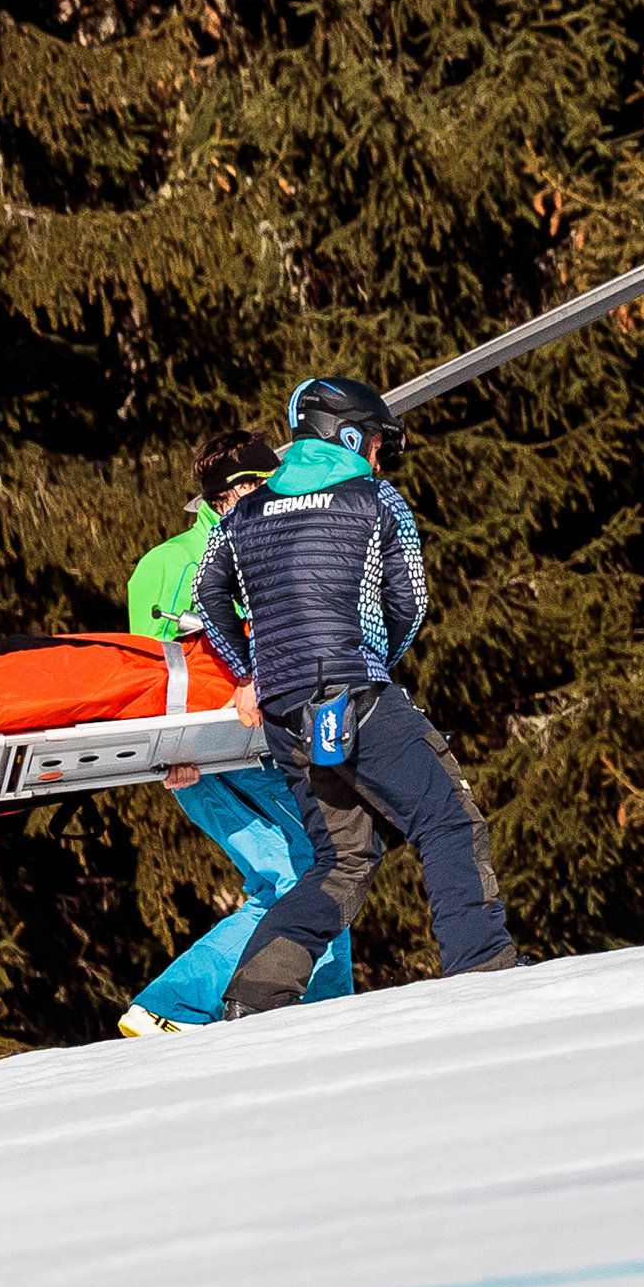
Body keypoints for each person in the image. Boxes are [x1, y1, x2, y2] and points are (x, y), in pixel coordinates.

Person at [193, 379, 517, 1014]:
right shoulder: (376, 497)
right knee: (447, 818)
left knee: (341, 859)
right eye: (375, 442)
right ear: (348, 435)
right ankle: (483, 965)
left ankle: (256, 993)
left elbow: (209, 594)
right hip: (358, 692)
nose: (377, 456)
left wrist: (252, 672)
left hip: (287, 713)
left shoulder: (244, 513)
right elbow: (412, 601)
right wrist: (377, 664)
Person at [116, 427, 352, 1033]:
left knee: (302, 878)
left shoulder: (271, 541)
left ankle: (319, 1013)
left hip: (267, 745)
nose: (248, 497)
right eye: (237, 488)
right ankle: (176, 1004)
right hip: (215, 755)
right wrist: (169, 750)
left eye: (258, 484)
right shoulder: (169, 565)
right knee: (315, 875)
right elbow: (155, 674)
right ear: (213, 497)